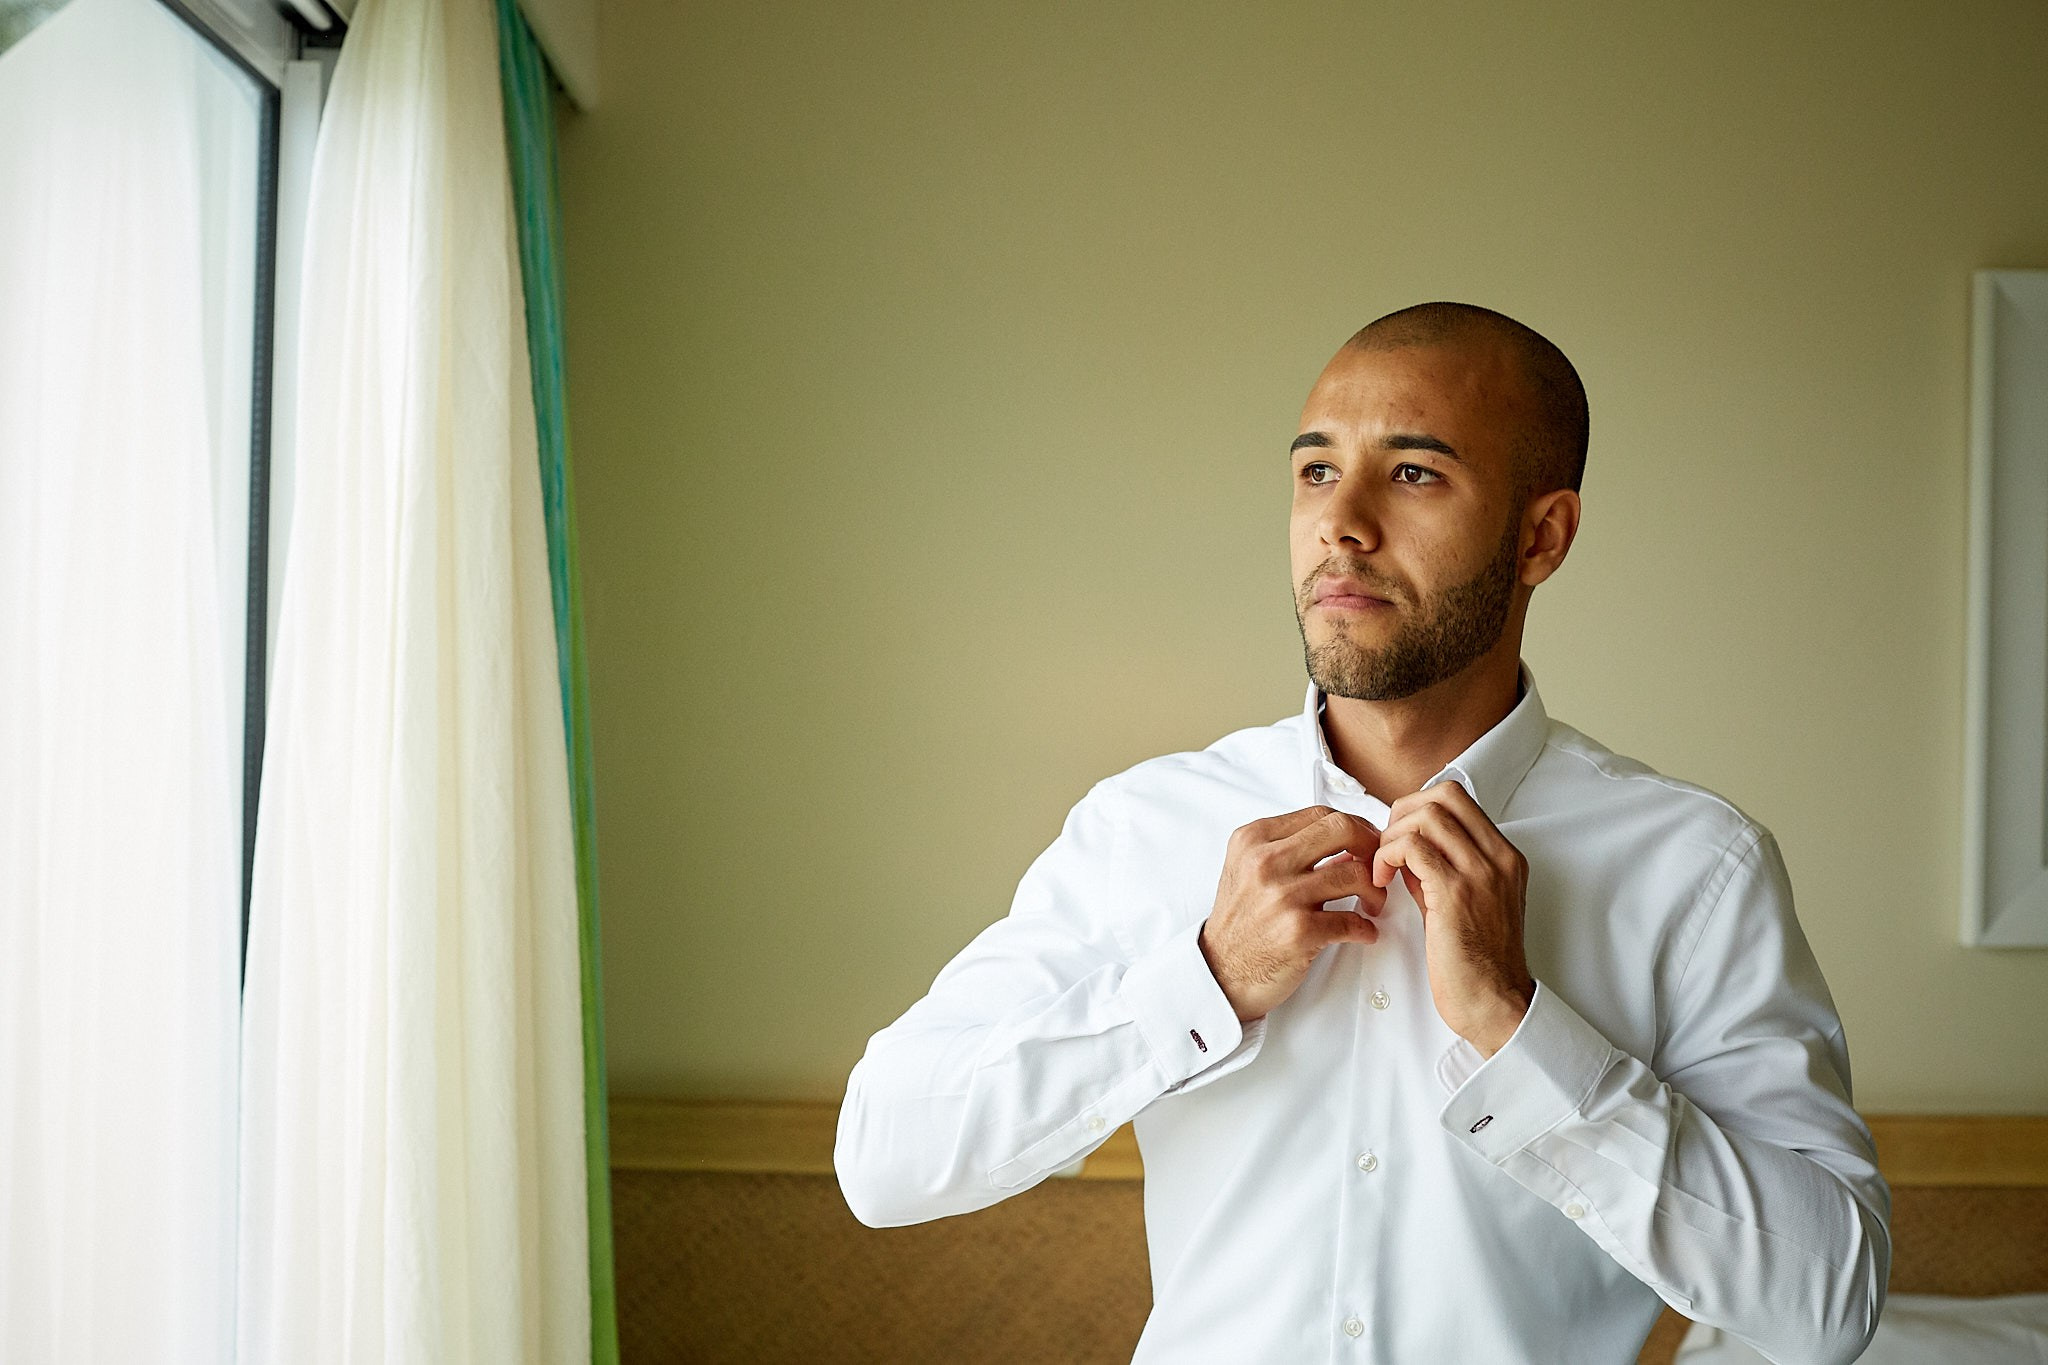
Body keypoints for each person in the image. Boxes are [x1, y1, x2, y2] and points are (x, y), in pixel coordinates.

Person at [834, 302, 1890, 1365]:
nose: (1340, 521)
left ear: (1540, 536)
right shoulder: (1144, 827)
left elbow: (1826, 1307)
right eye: (1313, 471)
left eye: (1413, 473)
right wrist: (1202, 982)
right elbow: (883, 1158)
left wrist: (1521, 1034)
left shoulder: (1692, 869)